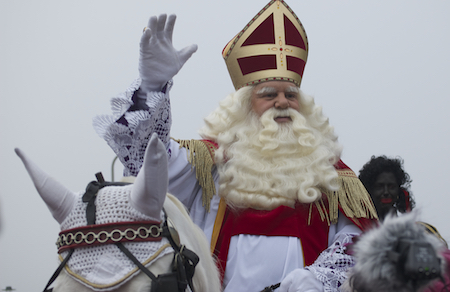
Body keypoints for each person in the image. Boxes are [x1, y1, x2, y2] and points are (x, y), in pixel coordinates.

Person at [94, 1, 377, 291]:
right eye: (269, 94)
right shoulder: (209, 163)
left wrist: (316, 280)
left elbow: (362, 243)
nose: (282, 102)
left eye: (291, 95)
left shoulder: (332, 174)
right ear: (244, 106)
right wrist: (152, 87)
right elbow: (146, 159)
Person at [358, 155, 415, 221]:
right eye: (379, 187)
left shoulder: (411, 228)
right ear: (368, 190)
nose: (386, 192)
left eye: (391, 187)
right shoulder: (354, 227)